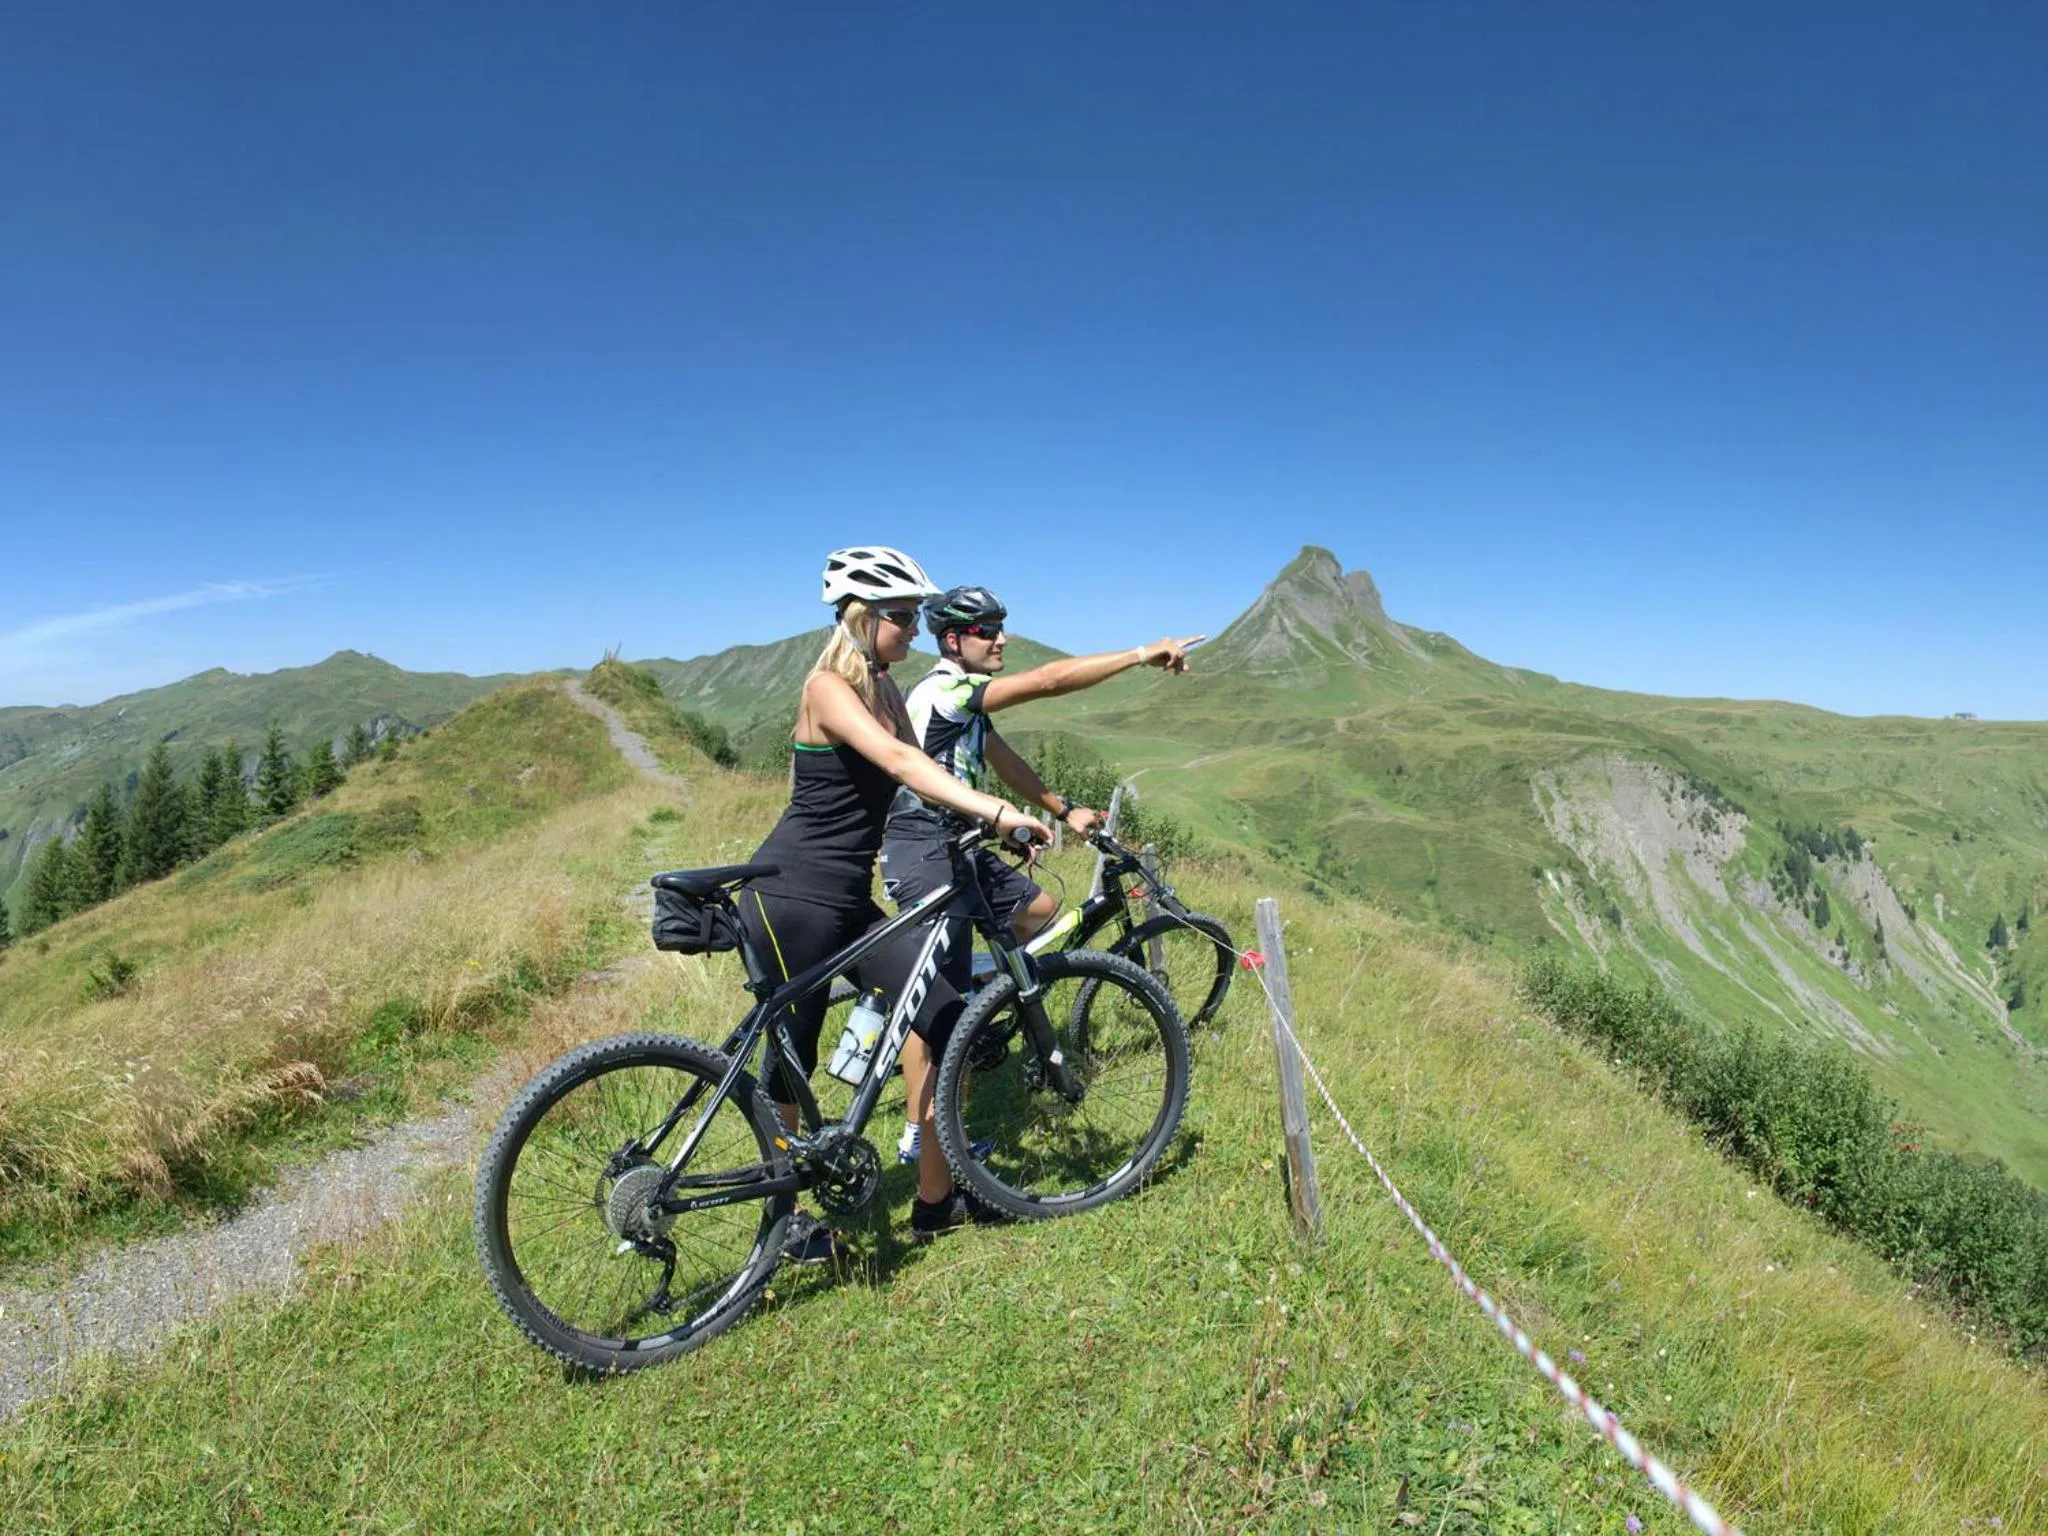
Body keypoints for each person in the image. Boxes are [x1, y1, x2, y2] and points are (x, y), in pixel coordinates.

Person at [738, 548, 1051, 1262]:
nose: (914, 632)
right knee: (792, 1061)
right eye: (903, 619)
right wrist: (1001, 811)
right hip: (790, 898)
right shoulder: (827, 688)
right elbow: (901, 763)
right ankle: (784, 1223)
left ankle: (937, 1204)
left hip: (844, 902)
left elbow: (927, 776)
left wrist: (982, 825)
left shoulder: (881, 689)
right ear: (863, 617)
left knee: (944, 1014)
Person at [880, 584, 1203, 1232]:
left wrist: (1059, 810)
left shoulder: (966, 708)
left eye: (1001, 626)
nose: (999, 638)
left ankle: (975, 1009)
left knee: (1041, 910)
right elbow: (1053, 680)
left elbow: (1002, 760)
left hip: (962, 843)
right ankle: (924, 1142)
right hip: (921, 850)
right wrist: (1142, 653)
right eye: (985, 629)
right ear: (952, 640)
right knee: (936, 1011)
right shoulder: (946, 689)